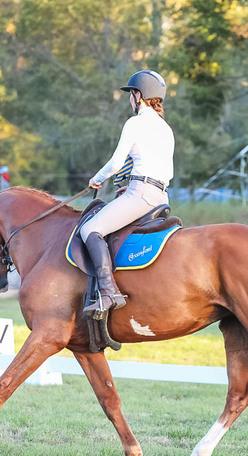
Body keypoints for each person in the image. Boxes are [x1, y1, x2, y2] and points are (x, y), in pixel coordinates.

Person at [80, 69, 175, 314]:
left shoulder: (135, 122)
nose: (130, 99)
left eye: (131, 94)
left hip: (141, 194)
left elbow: (115, 163)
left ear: (138, 95)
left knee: (90, 229)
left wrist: (96, 179)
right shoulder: (165, 128)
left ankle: (108, 292)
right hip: (160, 195)